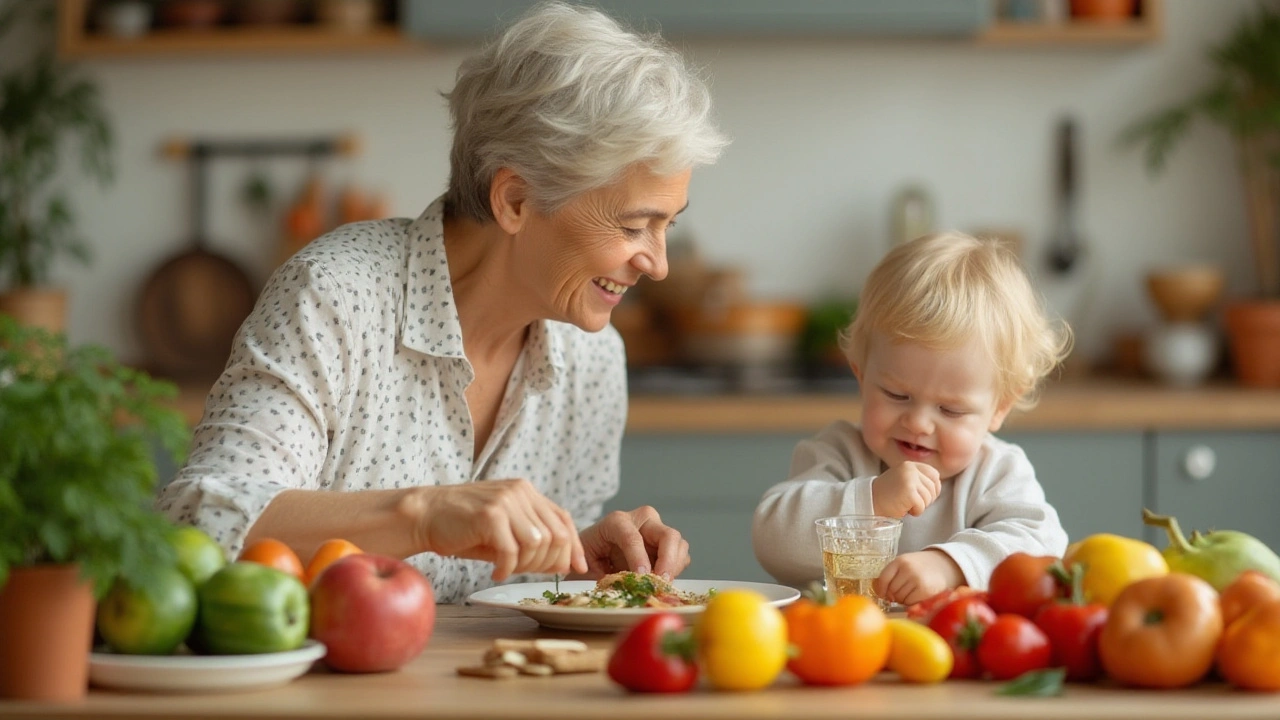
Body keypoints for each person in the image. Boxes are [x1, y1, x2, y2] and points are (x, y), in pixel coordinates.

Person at [157, 1, 728, 603]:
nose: (659, 265)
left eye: (668, 227)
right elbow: (195, 524)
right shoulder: (335, 297)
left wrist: (576, 561)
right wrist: (423, 515)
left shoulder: (592, 361)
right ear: (513, 201)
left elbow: (513, 614)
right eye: (636, 226)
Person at [752, 232, 1072, 606]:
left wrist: (949, 565)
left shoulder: (998, 471)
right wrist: (871, 500)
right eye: (896, 395)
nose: (918, 423)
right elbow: (772, 538)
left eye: (950, 410)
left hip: (955, 657)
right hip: (843, 650)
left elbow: (1043, 547)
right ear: (860, 375)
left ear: (1000, 408)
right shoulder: (837, 452)